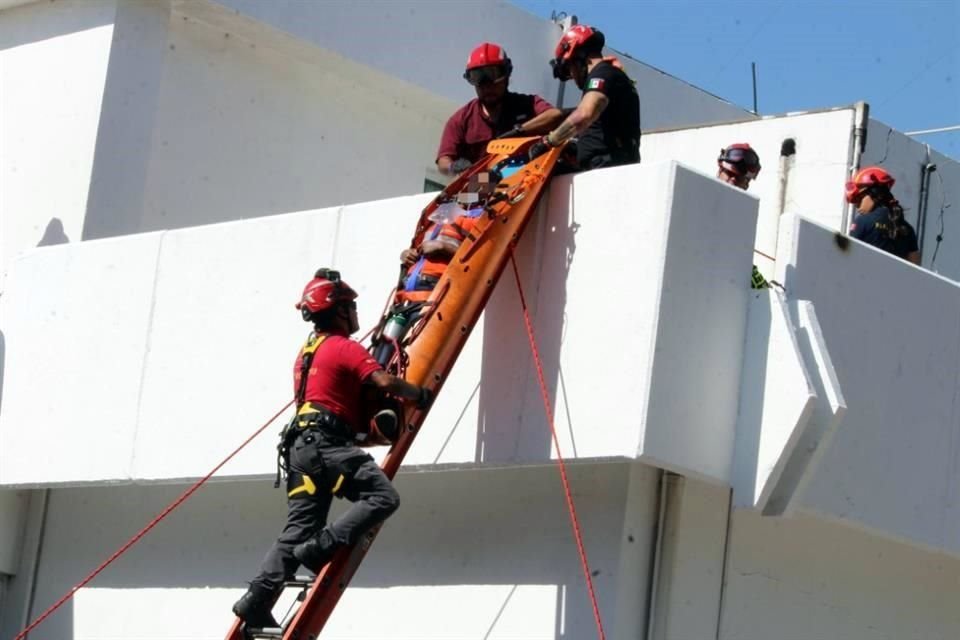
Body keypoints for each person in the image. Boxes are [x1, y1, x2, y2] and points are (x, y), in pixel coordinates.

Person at [232, 269, 432, 630]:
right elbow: (383, 380)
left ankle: (256, 598)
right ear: (339, 310)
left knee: (297, 528)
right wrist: (419, 395)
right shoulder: (343, 347)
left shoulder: (307, 353)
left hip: (299, 450)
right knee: (382, 497)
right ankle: (321, 547)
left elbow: (332, 396)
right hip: (326, 445)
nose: (356, 313)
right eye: (351, 306)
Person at [437, 42, 564, 176]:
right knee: (459, 197)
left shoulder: (528, 104)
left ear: (507, 75)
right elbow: (443, 160)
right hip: (483, 185)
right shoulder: (460, 120)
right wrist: (453, 167)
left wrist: (520, 130)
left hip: (528, 178)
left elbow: (554, 115)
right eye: (478, 78)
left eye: (493, 74)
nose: (487, 86)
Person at [529, 24, 640, 170]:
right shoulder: (612, 76)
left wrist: (549, 141)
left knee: (527, 172)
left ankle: (488, 186)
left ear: (578, 57)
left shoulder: (603, 73)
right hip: (605, 166)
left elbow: (584, 114)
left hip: (605, 169)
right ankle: (488, 185)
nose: (573, 78)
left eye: (569, 70)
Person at [715, 143, 769, 289]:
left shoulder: (739, 218)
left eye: (739, 179)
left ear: (746, 185)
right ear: (719, 171)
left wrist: (764, 289)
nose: (732, 181)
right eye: (729, 174)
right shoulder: (698, 197)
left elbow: (741, 264)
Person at [846, 166, 921, 265]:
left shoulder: (862, 222)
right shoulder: (908, 229)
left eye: (858, 199)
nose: (857, 206)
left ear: (873, 194)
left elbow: (846, 259)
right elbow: (915, 269)